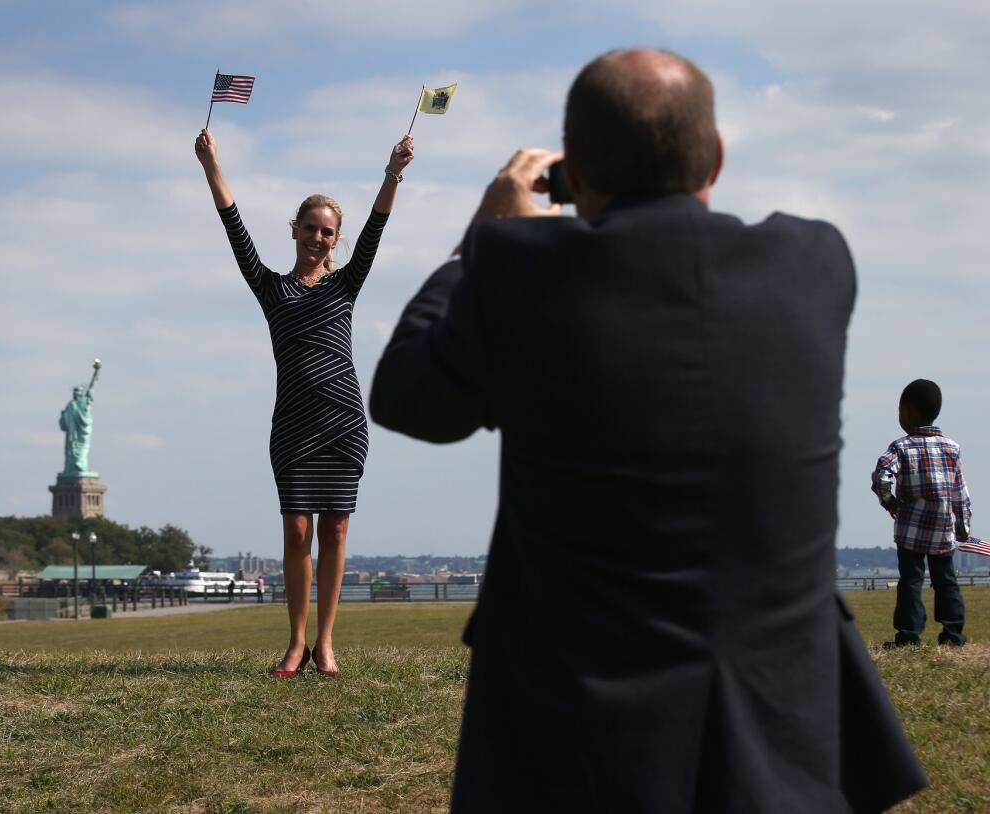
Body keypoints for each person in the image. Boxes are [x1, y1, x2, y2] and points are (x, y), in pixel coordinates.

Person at [370, 48, 927, 812]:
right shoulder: (817, 262)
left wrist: (481, 238)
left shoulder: (517, 272)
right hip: (785, 733)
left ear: (574, 174)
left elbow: (407, 398)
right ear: (717, 157)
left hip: (573, 736)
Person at [195, 126, 415, 679]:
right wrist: (210, 165)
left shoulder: (346, 286)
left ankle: (327, 643)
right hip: (293, 425)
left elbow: (376, 230)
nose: (319, 238)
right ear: (295, 231)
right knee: (297, 533)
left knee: (336, 530)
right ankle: (296, 643)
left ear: (335, 241)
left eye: (328, 232)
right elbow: (234, 228)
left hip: (343, 422)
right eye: (311, 228)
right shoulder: (271, 288)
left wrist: (392, 173)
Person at [872, 379, 971, 648]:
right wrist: (962, 525)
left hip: (910, 530)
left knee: (911, 582)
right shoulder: (952, 448)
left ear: (909, 412)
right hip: (942, 530)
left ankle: (908, 636)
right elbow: (959, 492)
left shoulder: (900, 447)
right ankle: (952, 635)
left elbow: (881, 476)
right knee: (946, 581)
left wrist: (890, 502)